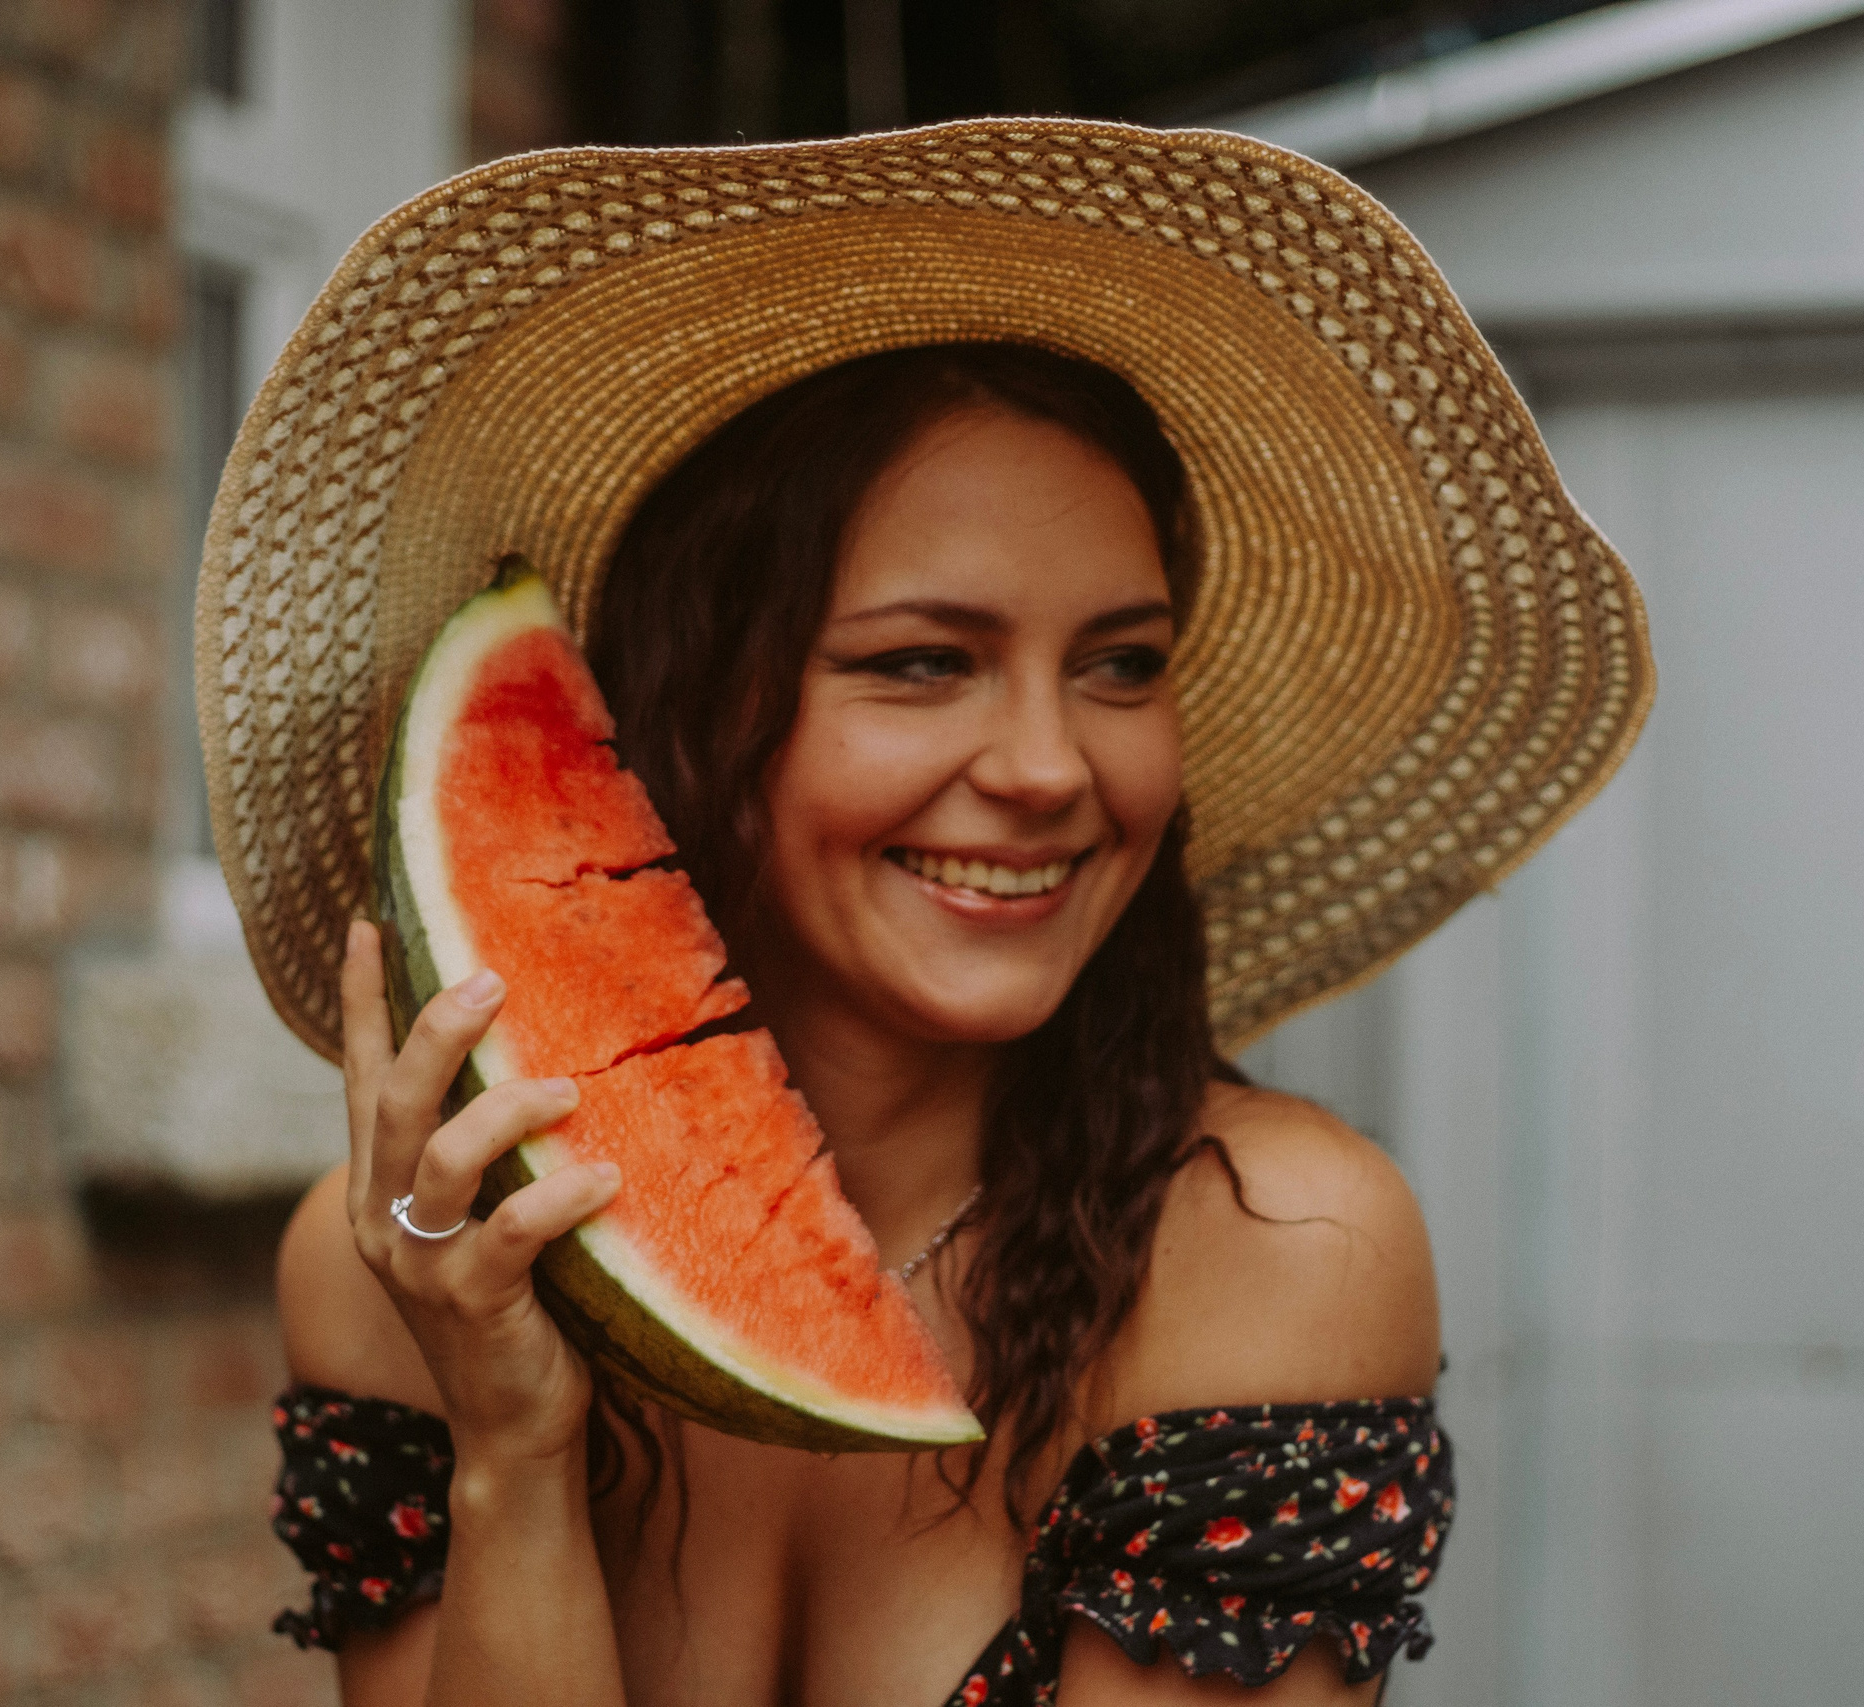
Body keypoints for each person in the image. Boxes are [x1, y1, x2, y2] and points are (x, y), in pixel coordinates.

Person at [198, 121, 1652, 1707]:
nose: (1047, 768)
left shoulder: (1274, 1250)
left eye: (1121, 664)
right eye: (918, 663)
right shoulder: (397, 1273)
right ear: (677, 716)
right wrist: (514, 1458)